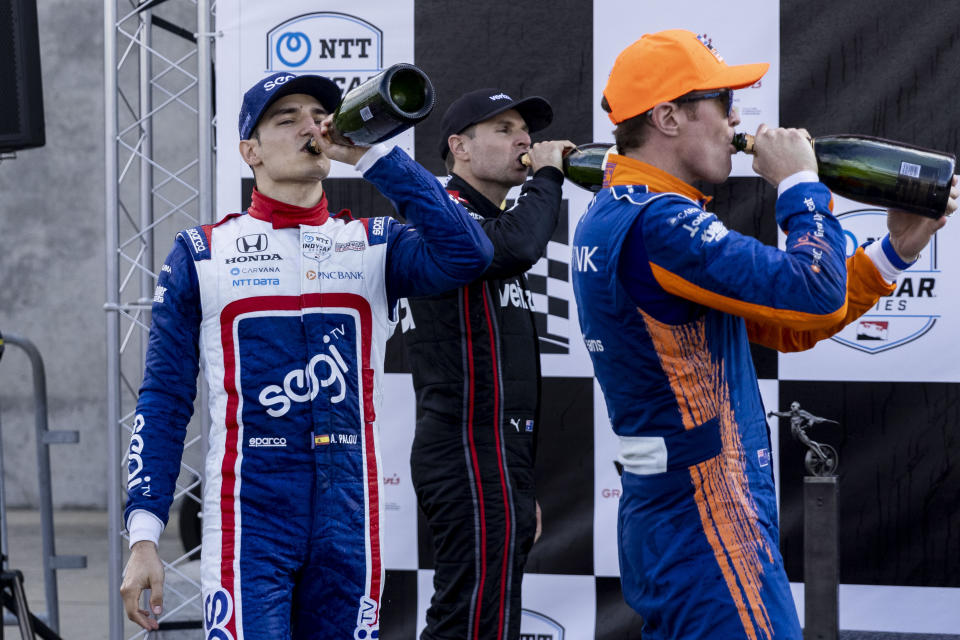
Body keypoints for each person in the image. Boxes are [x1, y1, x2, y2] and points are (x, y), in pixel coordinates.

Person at [570, 29, 958, 640]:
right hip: (708, 517)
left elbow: (788, 323)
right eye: (723, 102)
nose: (737, 120)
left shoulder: (621, 209)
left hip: (675, 511)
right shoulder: (659, 223)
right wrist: (802, 186)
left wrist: (890, 256)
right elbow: (812, 289)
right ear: (668, 117)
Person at [119, 71, 494, 639]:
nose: (309, 127)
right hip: (250, 518)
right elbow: (165, 400)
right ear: (250, 151)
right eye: (285, 118)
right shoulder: (202, 254)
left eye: (317, 115)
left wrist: (372, 158)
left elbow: (470, 253)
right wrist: (144, 535)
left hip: (350, 517)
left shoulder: (373, 244)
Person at [401, 88, 573, 640]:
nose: (524, 139)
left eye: (524, 129)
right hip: (463, 448)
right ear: (460, 148)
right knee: (469, 616)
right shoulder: (443, 214)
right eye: (503, 129)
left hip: (496, 455)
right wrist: (548, 177)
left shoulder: (489, 223)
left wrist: (519, 483)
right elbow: (518, 247)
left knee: (491, 616)